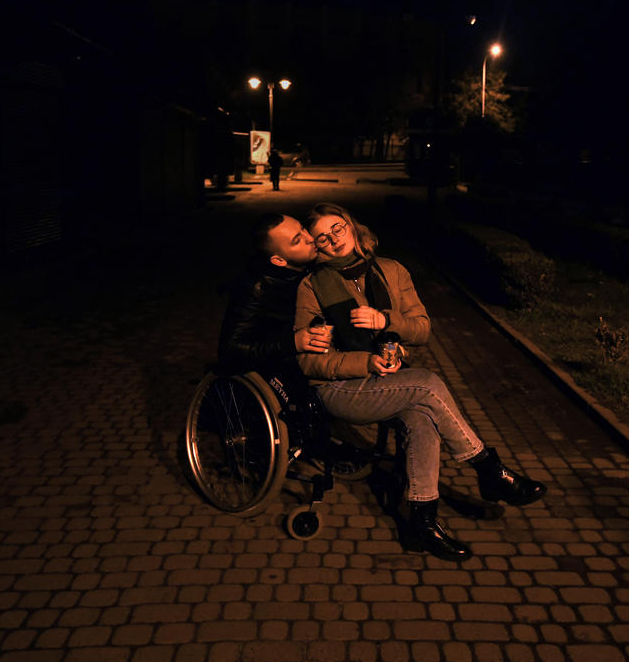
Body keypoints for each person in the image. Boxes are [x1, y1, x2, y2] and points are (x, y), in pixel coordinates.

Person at [294, 203, 546, 562]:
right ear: (316, 247)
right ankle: (488, 470)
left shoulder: (392, 271)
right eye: (322, 237)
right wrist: (365, 360)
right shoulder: (312, 286)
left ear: (350, 225)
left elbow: (422, 329)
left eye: (337, 228)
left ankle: (421, 524)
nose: (333, 240)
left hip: (388, 381)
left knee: (421, 416)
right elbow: (309, 362)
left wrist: (385, 320)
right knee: (427, 385)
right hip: (339, 388)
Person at [217, 213, 331, 400]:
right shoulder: (257, 287)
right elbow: (231, 348)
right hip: (271, 365)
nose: (310, 239)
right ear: (279, 260)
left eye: (302, 228)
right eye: (297, 241)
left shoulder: (310, 266)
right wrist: (292, 342)